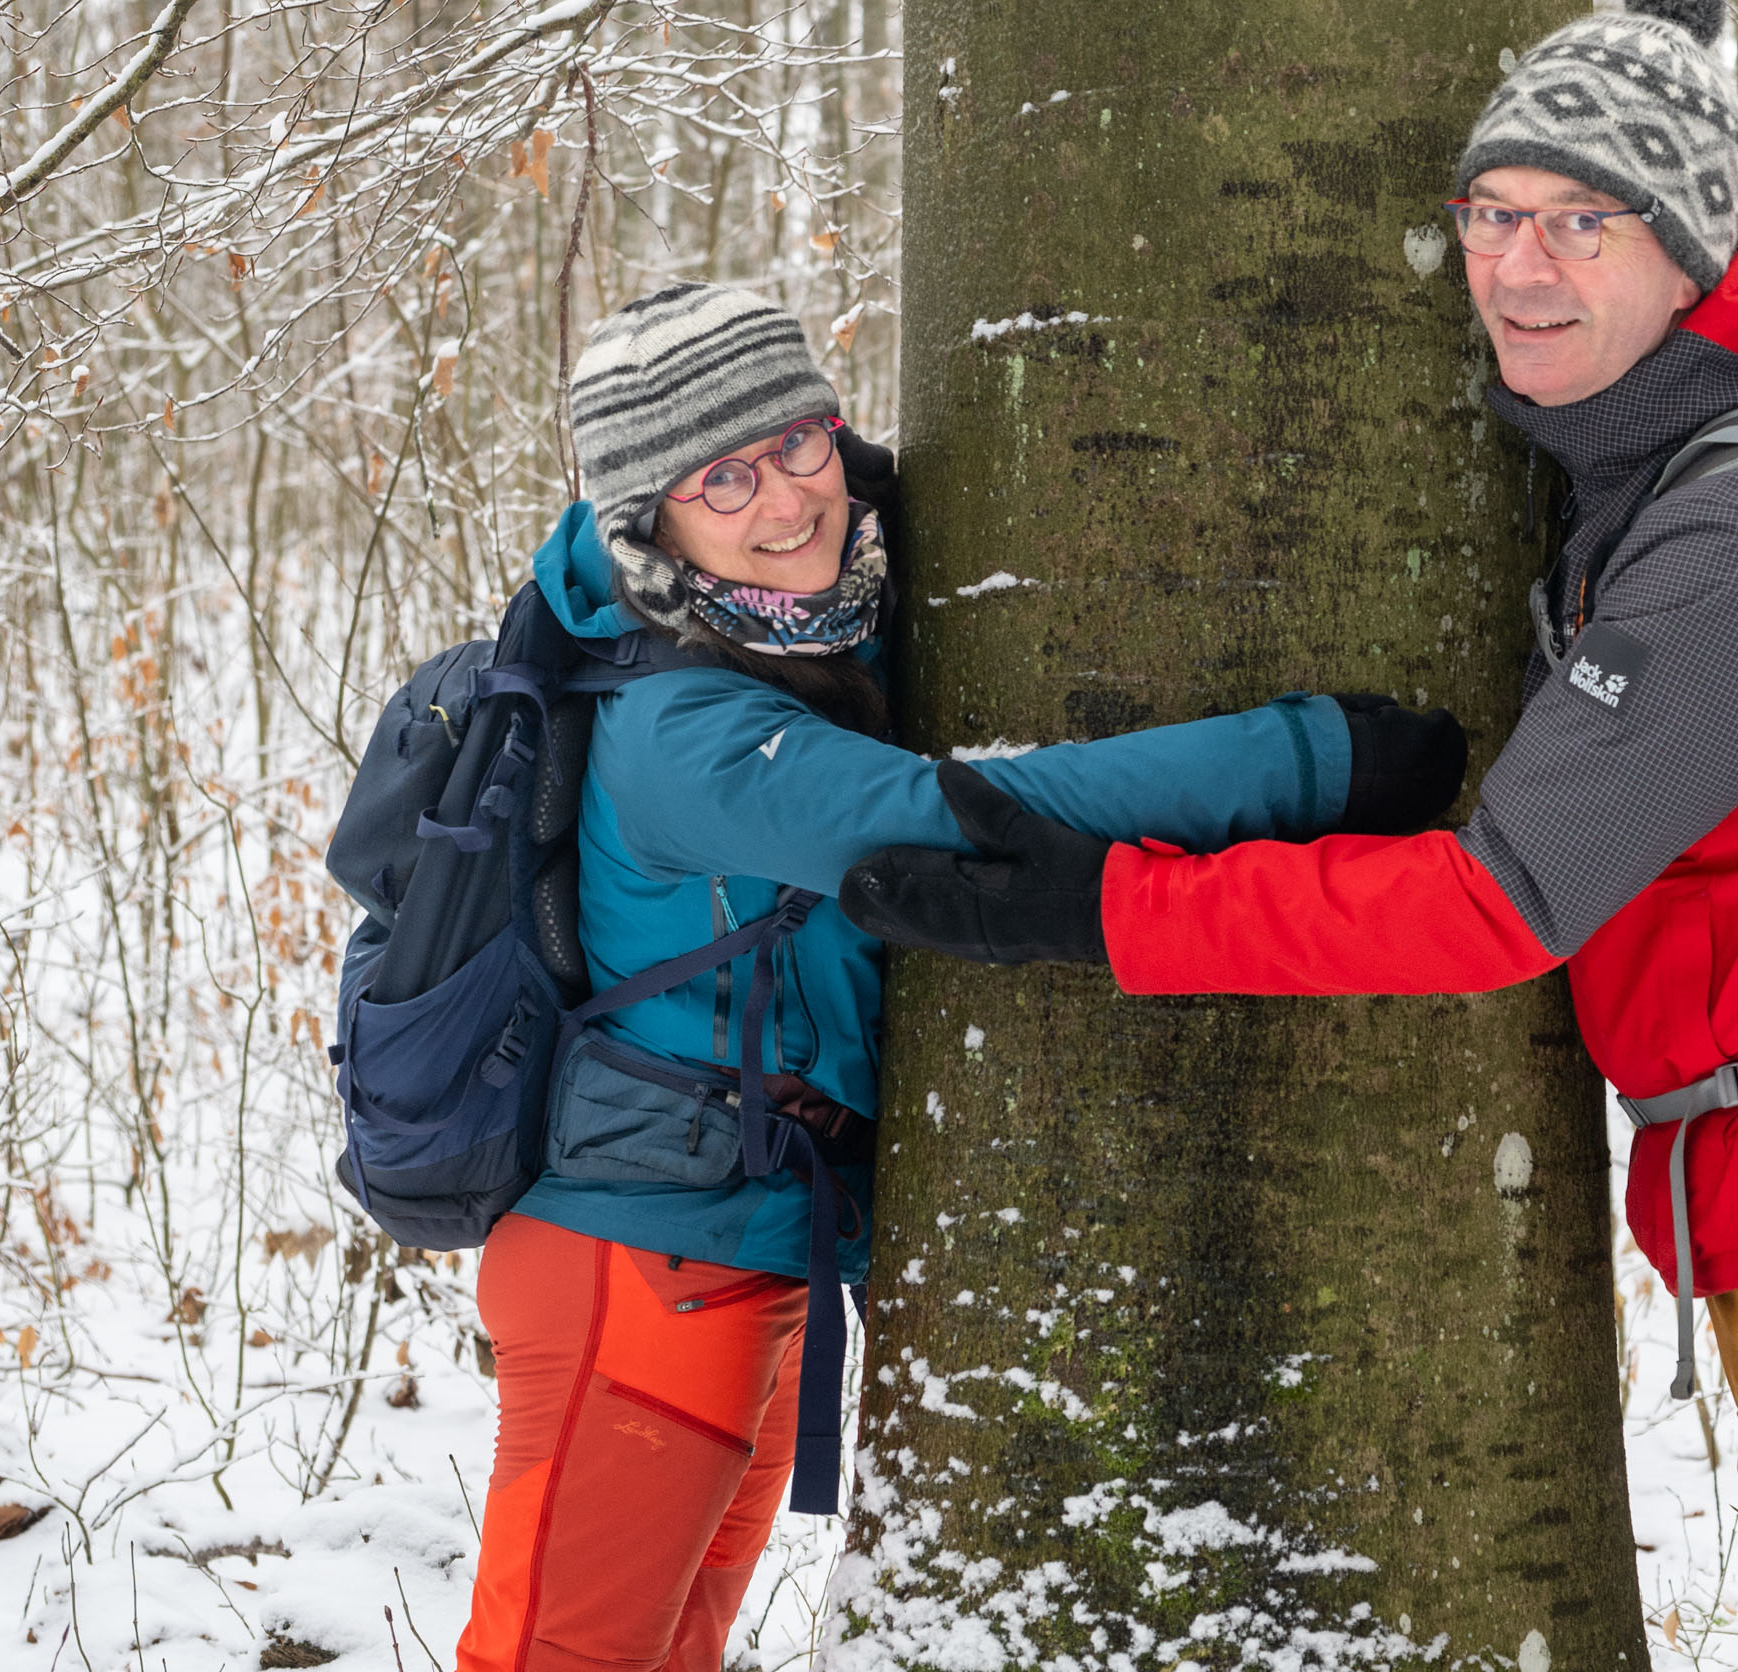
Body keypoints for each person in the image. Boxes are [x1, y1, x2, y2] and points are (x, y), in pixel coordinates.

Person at [839, 0, 1738, 1672]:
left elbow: (1495, 905)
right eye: (1493, 213)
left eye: (1584, 223)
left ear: (1693, 249)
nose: (1518, 268)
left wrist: (1110, 905)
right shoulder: (1706, 449)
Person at [451, 281, 1464, 1672]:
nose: (787, 501)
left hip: (745, 1255)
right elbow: (955, 812)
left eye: (801, 443)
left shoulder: (805, 624)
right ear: (654, 524)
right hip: (635, 1262)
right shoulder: (675, 725)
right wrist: (1312, 762)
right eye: (723, 479)